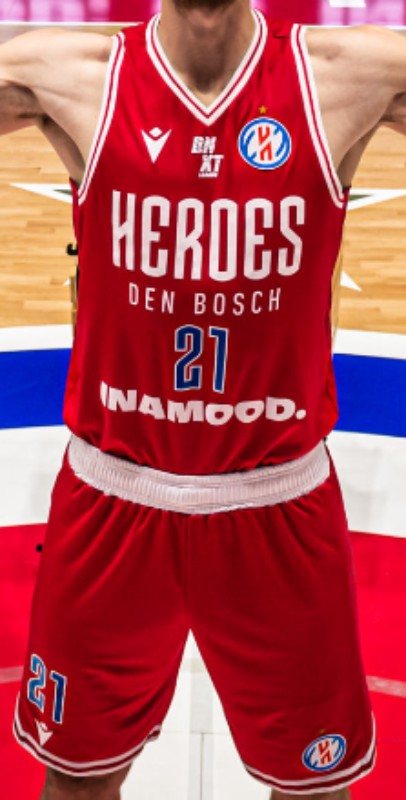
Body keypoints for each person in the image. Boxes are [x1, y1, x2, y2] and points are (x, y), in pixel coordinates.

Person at [1, 0, 405, 797]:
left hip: (279, 502)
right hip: (112, 498)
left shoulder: (341, 75)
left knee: (314, 788)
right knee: (76, 781)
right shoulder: (76, 74)